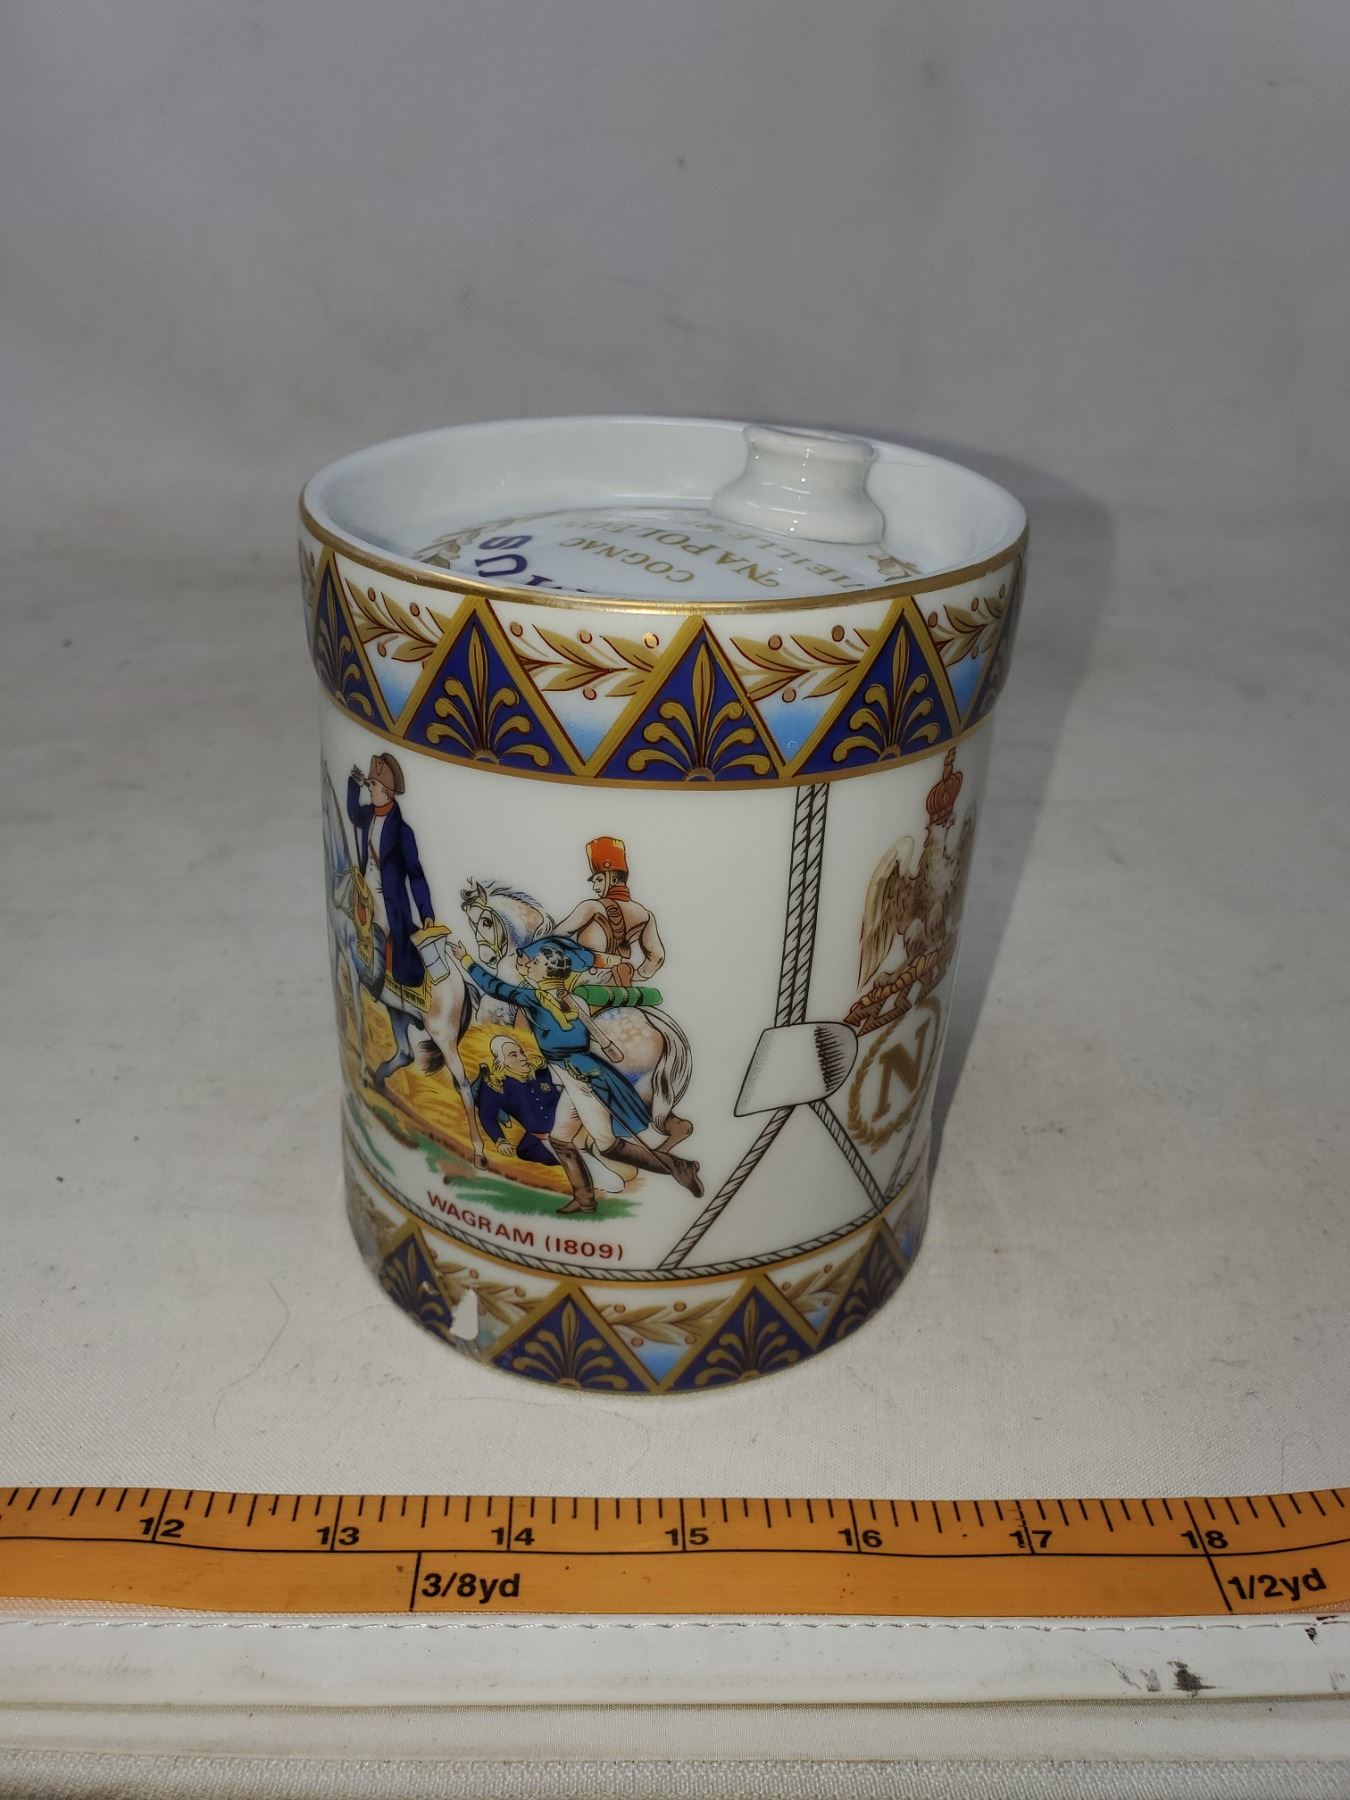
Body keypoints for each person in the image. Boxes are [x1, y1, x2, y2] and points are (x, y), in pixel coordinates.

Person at [450, 934, 703, 1215]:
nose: (529, 965)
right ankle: (585, 1199)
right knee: (560, 1139)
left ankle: (680, 1167)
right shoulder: (574, 1000)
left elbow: (496, 987)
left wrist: (467, 960)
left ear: (546, 973)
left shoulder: (536, 999)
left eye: (535, 963)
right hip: (577, 1073)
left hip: (579, 1078)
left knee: (607, 1145)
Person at [346, 754, 435, 995]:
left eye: (372, 784)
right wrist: (354, 785)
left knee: (377, 936)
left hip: (389, 904)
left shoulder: (403, 832)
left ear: (387, 791)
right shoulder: (368, 815)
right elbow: (353, 814)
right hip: (365, 895)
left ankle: (374, 985)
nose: (369, 787)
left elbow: (416, 874)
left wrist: (426, 912)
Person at [553, 837, 664, 988]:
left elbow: (554, 938)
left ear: (613, 879)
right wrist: (636, 976)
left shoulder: (591, 907)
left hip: (582, 985)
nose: (595, 887)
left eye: (599, 880)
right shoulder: (646, 915)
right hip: (619, 987)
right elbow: (657, 957)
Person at [473, 1036, 561, 1167]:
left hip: (573, 1131)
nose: (523, 1058)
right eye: (513, 1055)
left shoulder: (541, 1069)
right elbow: (487, 1116)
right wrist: (500, 1141)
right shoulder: (496, 1085)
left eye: (521, 1052)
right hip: (541, 1142)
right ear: (502, 1061)